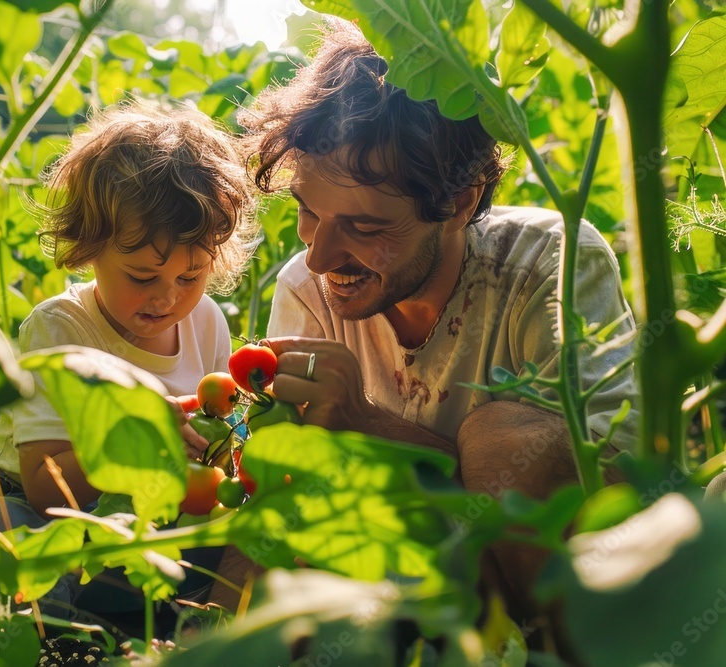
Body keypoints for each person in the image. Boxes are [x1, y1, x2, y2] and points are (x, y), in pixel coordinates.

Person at [236, 17, 638, 638]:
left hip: (563, 601)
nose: (319, 257)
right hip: (409, 595)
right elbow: (285, 503)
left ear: (459, 203)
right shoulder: (304, 287)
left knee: (506, 440)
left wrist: (372, 428)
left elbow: (612, 491)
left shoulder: (548, 267)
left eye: (365, 229)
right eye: (308, 213)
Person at [0, 101, 257, 620]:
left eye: (192, 277)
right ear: (89, 247)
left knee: (234, 547)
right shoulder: (60, 330)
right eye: (142, 277)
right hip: (35, 507)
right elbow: (47, 488)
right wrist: (138, 439)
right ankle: (60, 639)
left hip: (142, 517)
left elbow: (223, 432)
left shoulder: (206, 321)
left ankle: (143, 623)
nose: (167, 299)